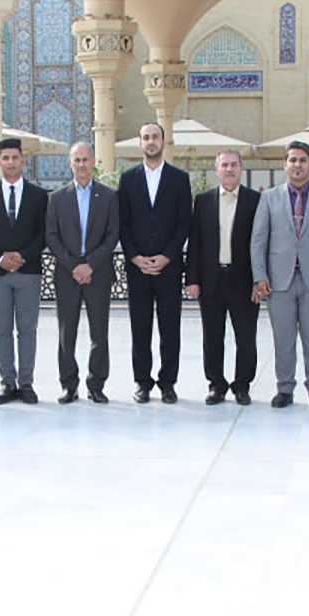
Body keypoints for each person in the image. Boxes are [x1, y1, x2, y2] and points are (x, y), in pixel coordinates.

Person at [250, 140, 309, 408]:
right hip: (278, 281)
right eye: (292, 160)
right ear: (285, 165)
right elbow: (258, 241)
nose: (297, 165)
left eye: (302, 160)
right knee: (283, 339)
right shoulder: (269, 198)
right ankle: (285, 388)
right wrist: (260, 276)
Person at [117, 119, 192, 403]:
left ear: (163, 141)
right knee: (140, 328)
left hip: (168, 268)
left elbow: (184, 223)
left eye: (155, 137)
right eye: (146, 137)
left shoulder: (179, 179)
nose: (151, 142)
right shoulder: (128, 179)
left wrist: (167, 256)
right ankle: (143, 382)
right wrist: (135, 257)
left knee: (170, 328)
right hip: (137, 269)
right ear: (140, 143)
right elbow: (122, 223)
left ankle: (168, 382)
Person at [0, 137, 48, 404]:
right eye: (5, 158)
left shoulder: (39, 195)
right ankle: (7, 382)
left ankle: (26, 384)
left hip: (29, 271)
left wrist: (23, 256)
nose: (10, 162)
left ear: (22, 160)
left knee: (27, 330)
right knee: (2, 331)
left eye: (15, 157)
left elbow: (44, 233)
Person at [184, 148, 260, 405]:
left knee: (246, 337)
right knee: (212, 336)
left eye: (234, 165)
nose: (229, 169)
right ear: (216, 169)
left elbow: (261, 243)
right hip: (211, 280)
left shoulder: (255, 201)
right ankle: (216, 384)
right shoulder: (203, 201)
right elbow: (195, 243)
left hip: (244, 281)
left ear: (241, 169)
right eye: (224, 165)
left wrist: (260, 280)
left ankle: (242, 385)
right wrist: (192, 280)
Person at [46, 141, 120, 404]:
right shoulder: (56, 198)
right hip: (67, 275)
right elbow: (51, 236)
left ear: (93, 162)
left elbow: (112, 235)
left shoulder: (109, 196)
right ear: (70, 163)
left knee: (99, 332)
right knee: (67, 333)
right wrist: (74, 266)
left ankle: (96, 384)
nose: (81, 165)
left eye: (85, 159)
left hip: (98, 274)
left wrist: (90, 265)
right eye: (76, 160)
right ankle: (69, 384)